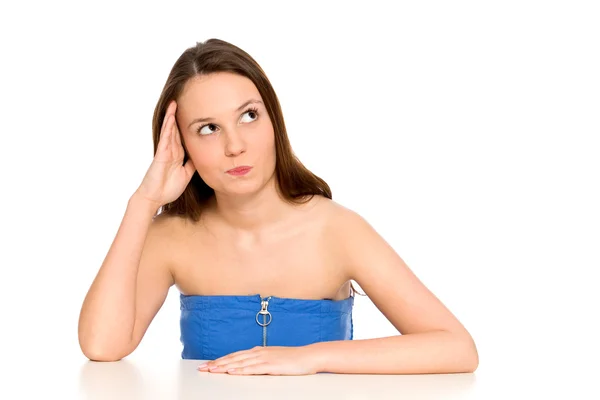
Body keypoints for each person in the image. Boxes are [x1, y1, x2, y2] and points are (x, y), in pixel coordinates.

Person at [78, 38, 479, 376]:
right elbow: (101, 345)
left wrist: (308, 358)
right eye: (208, 128)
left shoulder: (338, 230)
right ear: (181, 145)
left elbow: (457, 348)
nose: (235, 146)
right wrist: (142, 202)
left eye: (249, 116)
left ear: (274, 121)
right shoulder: (171, 236)